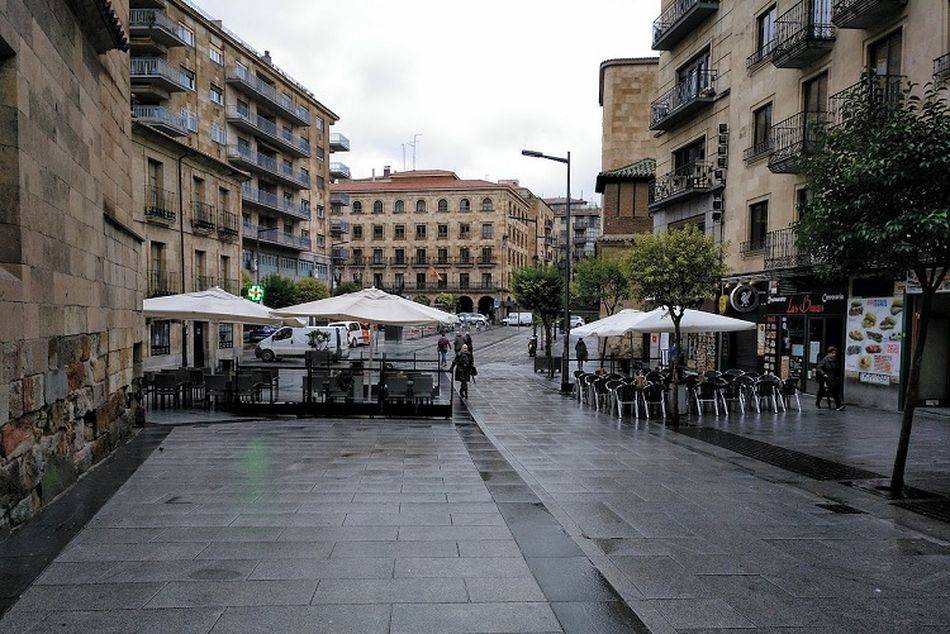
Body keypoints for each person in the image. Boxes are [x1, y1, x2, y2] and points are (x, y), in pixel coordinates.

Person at [815, 346, 845, 411]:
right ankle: (817, 403)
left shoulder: (835, 360)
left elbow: (837, 368)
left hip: (832, 378)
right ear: (829, 353)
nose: (834, 354)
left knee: (835, 392)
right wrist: (824, 374)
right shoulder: (825, 360)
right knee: (821, 391)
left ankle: (838, 405)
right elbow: (819, 368)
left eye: (834, 353)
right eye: (832, 353)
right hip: (825, 378)